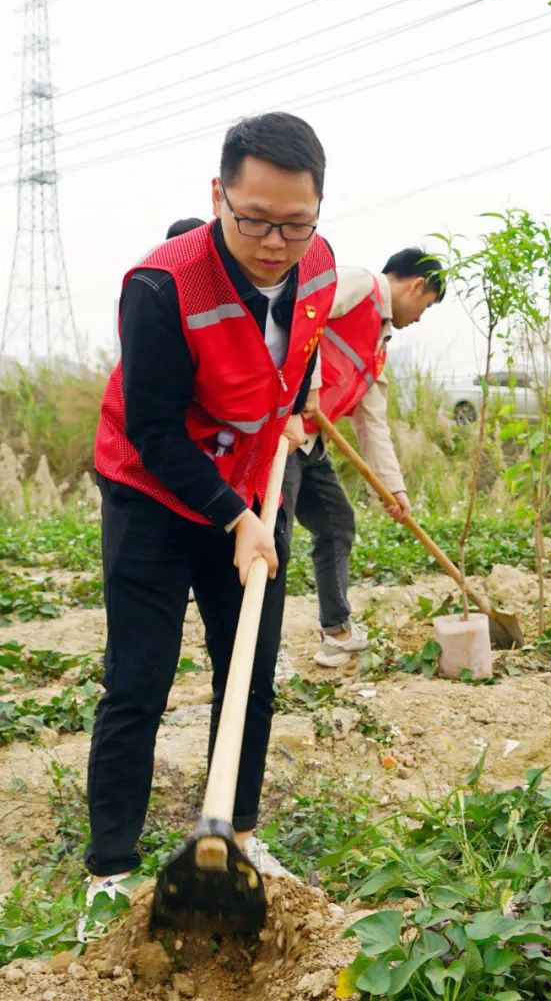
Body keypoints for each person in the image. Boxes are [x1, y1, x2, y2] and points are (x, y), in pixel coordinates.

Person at [84, 112, 335, 934]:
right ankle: (112, 870)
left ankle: (241, 836)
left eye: (296, 223)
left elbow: (300, 350)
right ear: (218, 196)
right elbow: (154, 433)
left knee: (249, 671)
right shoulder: (162, 287)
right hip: (154, 497)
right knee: (138, 681)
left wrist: (298, 412)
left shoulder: (321, 267)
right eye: (254, 219)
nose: (275, 242)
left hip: (251, 493)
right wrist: (233, 519)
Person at [284, 248, 446, 669]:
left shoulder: (378, 347)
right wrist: (309, 389)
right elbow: (303, 312)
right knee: (272, 541)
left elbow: (373, 426)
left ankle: (336, 633)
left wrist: (393, 488)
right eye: (425, 307)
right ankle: (260, 651)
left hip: (311, 444)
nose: (419, 318)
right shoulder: (360, 285)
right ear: (415, 285)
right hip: (279, 434)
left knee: (336, 523)